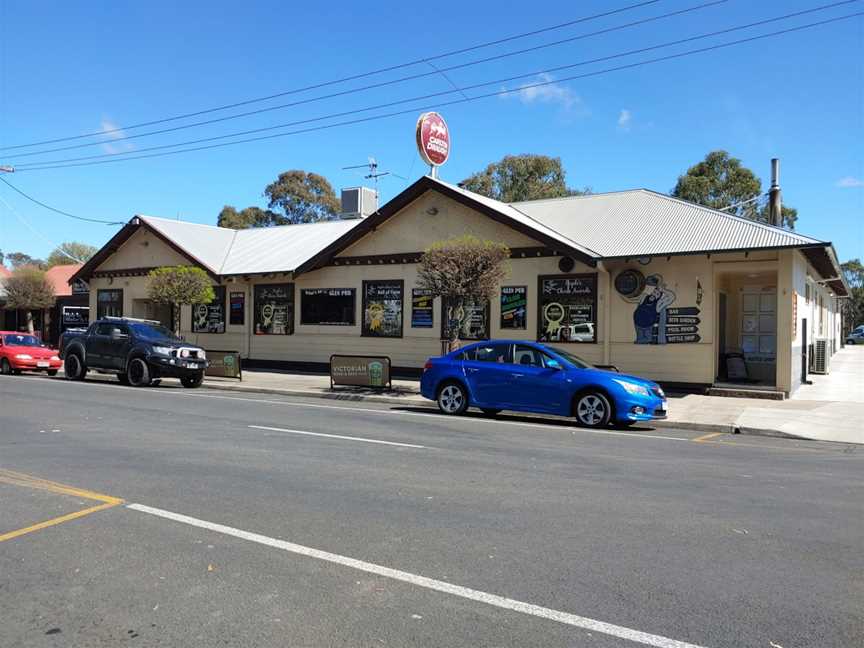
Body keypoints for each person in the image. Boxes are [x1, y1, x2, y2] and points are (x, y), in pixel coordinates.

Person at [633, 274, 676, 344]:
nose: (654, 294)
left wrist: (663, 290)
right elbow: (633, 299)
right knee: (639, 342)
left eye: (657, 294)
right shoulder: (644, 296)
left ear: (659, 297)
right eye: (654, 292)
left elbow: (672, 297)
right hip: (637, 324)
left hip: (647, 326)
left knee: (645, 341)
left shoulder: (659, 304)